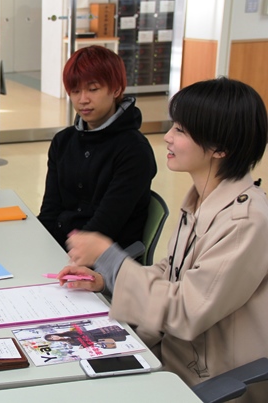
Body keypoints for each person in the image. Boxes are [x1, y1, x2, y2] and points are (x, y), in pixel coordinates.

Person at [60, 77, 268, 401]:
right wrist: (106, 280)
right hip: (169, 353)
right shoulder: (202, 201)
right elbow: (171, 272)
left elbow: (185, 311)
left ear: (220, 148)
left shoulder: (245, 223)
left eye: (181, 130)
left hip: (202, 378)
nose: (168, 137)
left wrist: (110, 257)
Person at [37, 45, 156, 253]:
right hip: (61, 252)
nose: (83, 99)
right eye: (75, 91)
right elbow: (49, 211)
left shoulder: (134, 150)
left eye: (93, 89)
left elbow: (105, 226)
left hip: (106, 261)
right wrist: (41, 248)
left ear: (116, 90)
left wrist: (63, 257)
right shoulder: (63, 141)